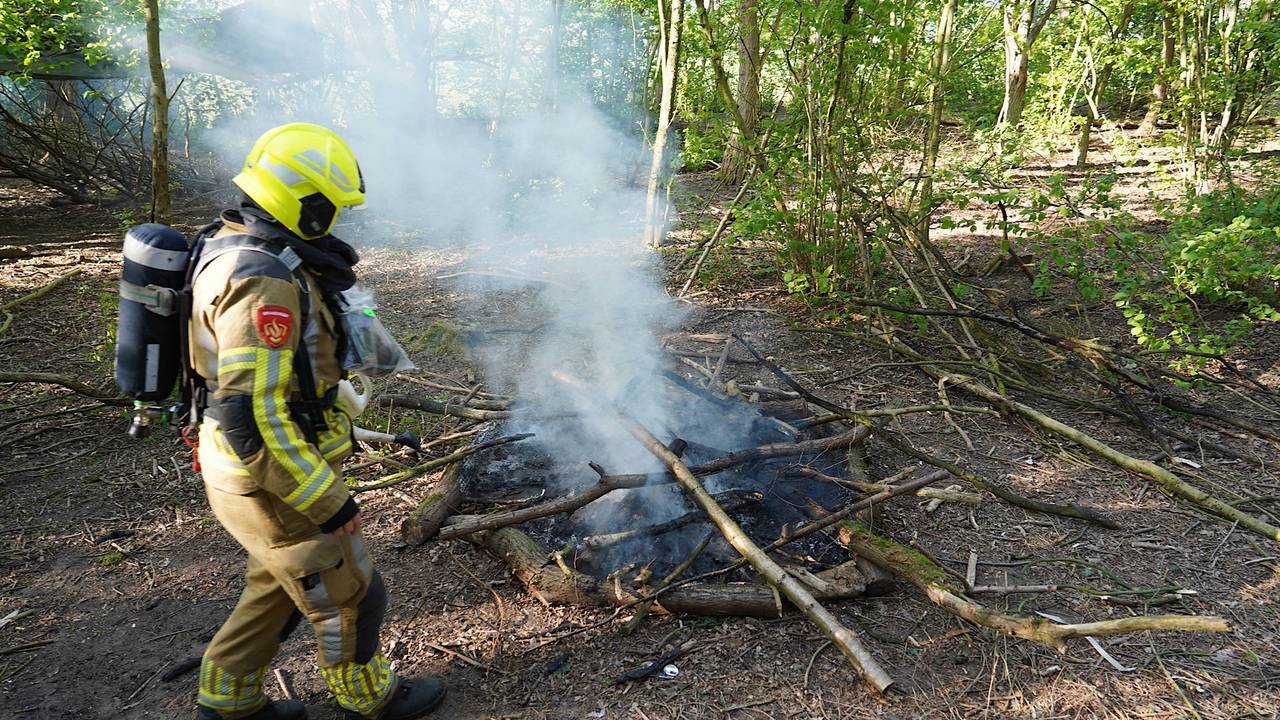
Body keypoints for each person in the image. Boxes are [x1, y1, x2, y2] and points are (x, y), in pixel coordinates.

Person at [188, 123, 444, 720]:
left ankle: (227, 703)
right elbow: (251, 412)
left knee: (277, 587)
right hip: (270, 476)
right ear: (301, 199)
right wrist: (328, 502)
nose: (334, 220)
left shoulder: (243, 243)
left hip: (249, 467)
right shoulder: (260, 280)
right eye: (330, 205)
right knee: (350, 591)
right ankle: (368, 697)